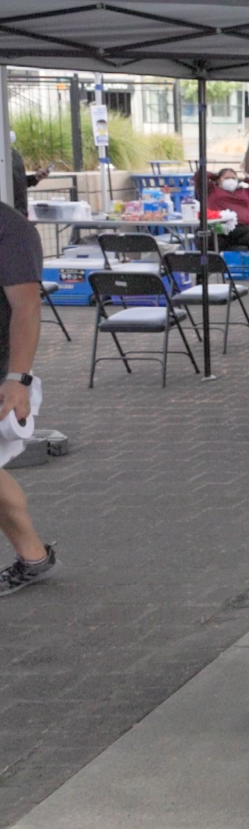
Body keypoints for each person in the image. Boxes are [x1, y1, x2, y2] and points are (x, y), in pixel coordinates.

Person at [0, 201, 54, 595]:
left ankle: (34, 557)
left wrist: (17, 379)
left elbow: (27, 306)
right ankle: (33, 556)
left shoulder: (10, 230)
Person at [203, 165, 249, 249]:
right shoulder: (211, 190)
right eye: (226, 178)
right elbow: (199, 176)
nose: (230, 180)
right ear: (218, 180)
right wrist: (215, 176)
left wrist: (244, 179)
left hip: (244, 230)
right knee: (205, 242)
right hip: (219, 230)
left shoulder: (245, 192)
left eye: (233, 178)